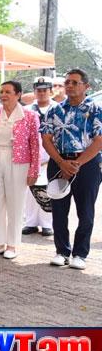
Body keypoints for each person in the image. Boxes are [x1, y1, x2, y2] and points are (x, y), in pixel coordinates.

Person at [40, 69, 102, 270]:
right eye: (67, 82)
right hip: (58, 163)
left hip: (86, 165)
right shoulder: (54, 110)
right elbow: (46, 139)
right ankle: (61, 251)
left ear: (86, 86)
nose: (69, 86)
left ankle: (80, 254)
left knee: (86, 211)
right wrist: (61, 162)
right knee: (59, 210)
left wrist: (76, 164)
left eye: (75, 82)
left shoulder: (95, 110)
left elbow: (98, 140)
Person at [0, 81, 41, 259]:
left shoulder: (29, 115)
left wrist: (34, 170)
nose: (4, 95)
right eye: (2, 92)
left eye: (8, 92)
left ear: (18, 94)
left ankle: (12, 245)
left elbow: (35, 144)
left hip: (19, 160)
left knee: (15, 202)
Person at [21, 76, 55, 236]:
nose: (42, 93)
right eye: (39, 90)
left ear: (51, 91)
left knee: (48, 190)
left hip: (51, 157)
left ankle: (47, 224)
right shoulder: (26, 110)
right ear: (34, 92)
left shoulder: (58, 108)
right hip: (30, 157)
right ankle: (31, 222)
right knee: (29, 192)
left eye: (45, 90)